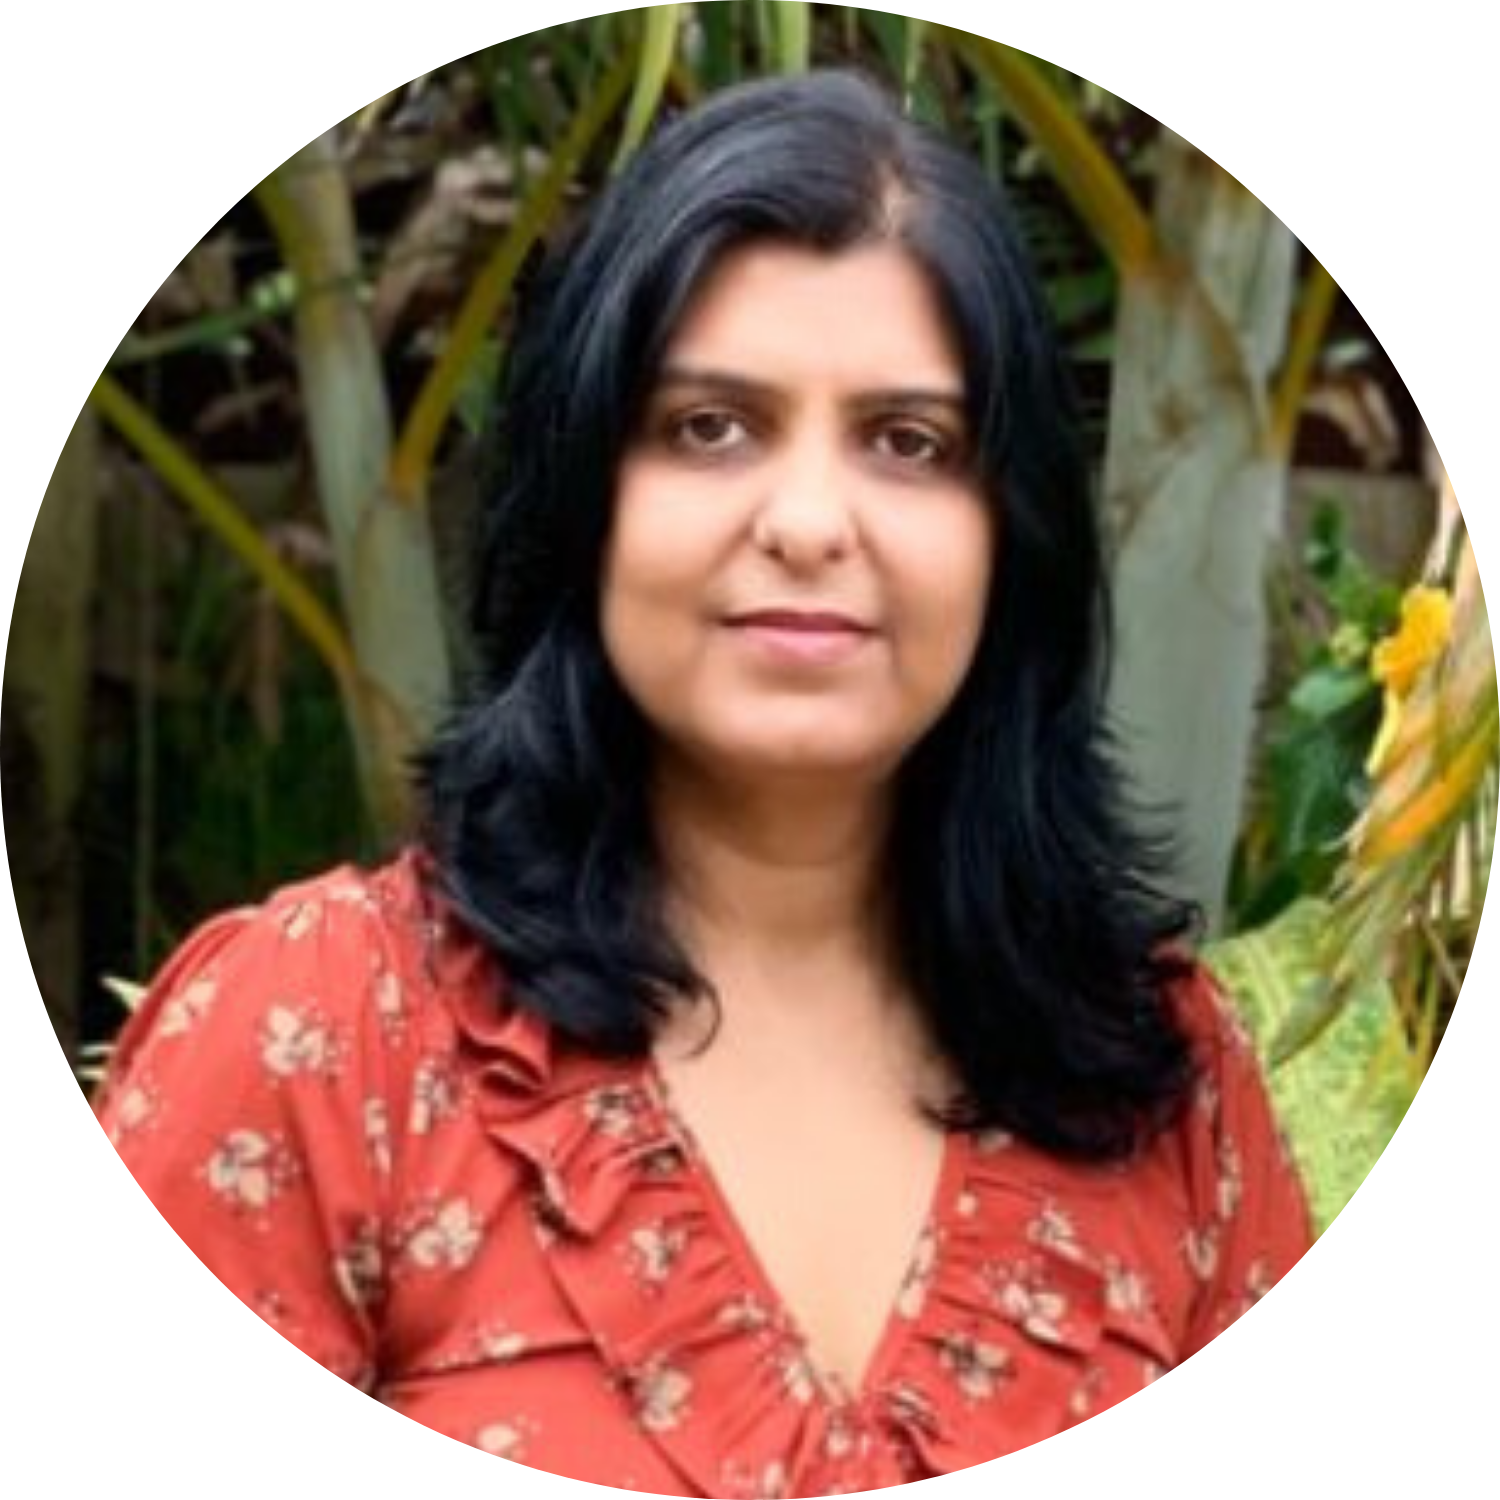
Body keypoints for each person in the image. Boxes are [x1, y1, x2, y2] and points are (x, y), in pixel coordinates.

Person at [93, 67, 1313, 1490]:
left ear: (1010, 538)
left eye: (907, 441)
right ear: (586, 501)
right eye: (710, 427)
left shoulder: (1162, 1083)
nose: (808, 522)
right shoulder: (325, 1039)